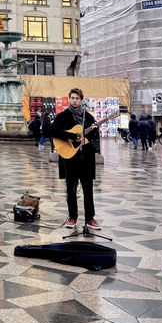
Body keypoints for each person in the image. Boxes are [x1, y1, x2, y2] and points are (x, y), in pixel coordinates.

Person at [51, 88, 101, 230]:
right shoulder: (63, 116)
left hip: (85, 158)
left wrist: (93, 130)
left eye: (77, 98)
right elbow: (51, 130)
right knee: (71, 188)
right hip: (70, 158)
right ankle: (73, 217)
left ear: (81, 100)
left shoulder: (88, 117)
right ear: (69, 99)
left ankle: (90, 218)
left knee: (88, 188)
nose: (75, 100)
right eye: (72, 98)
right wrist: (72, 136)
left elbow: (94, 137)